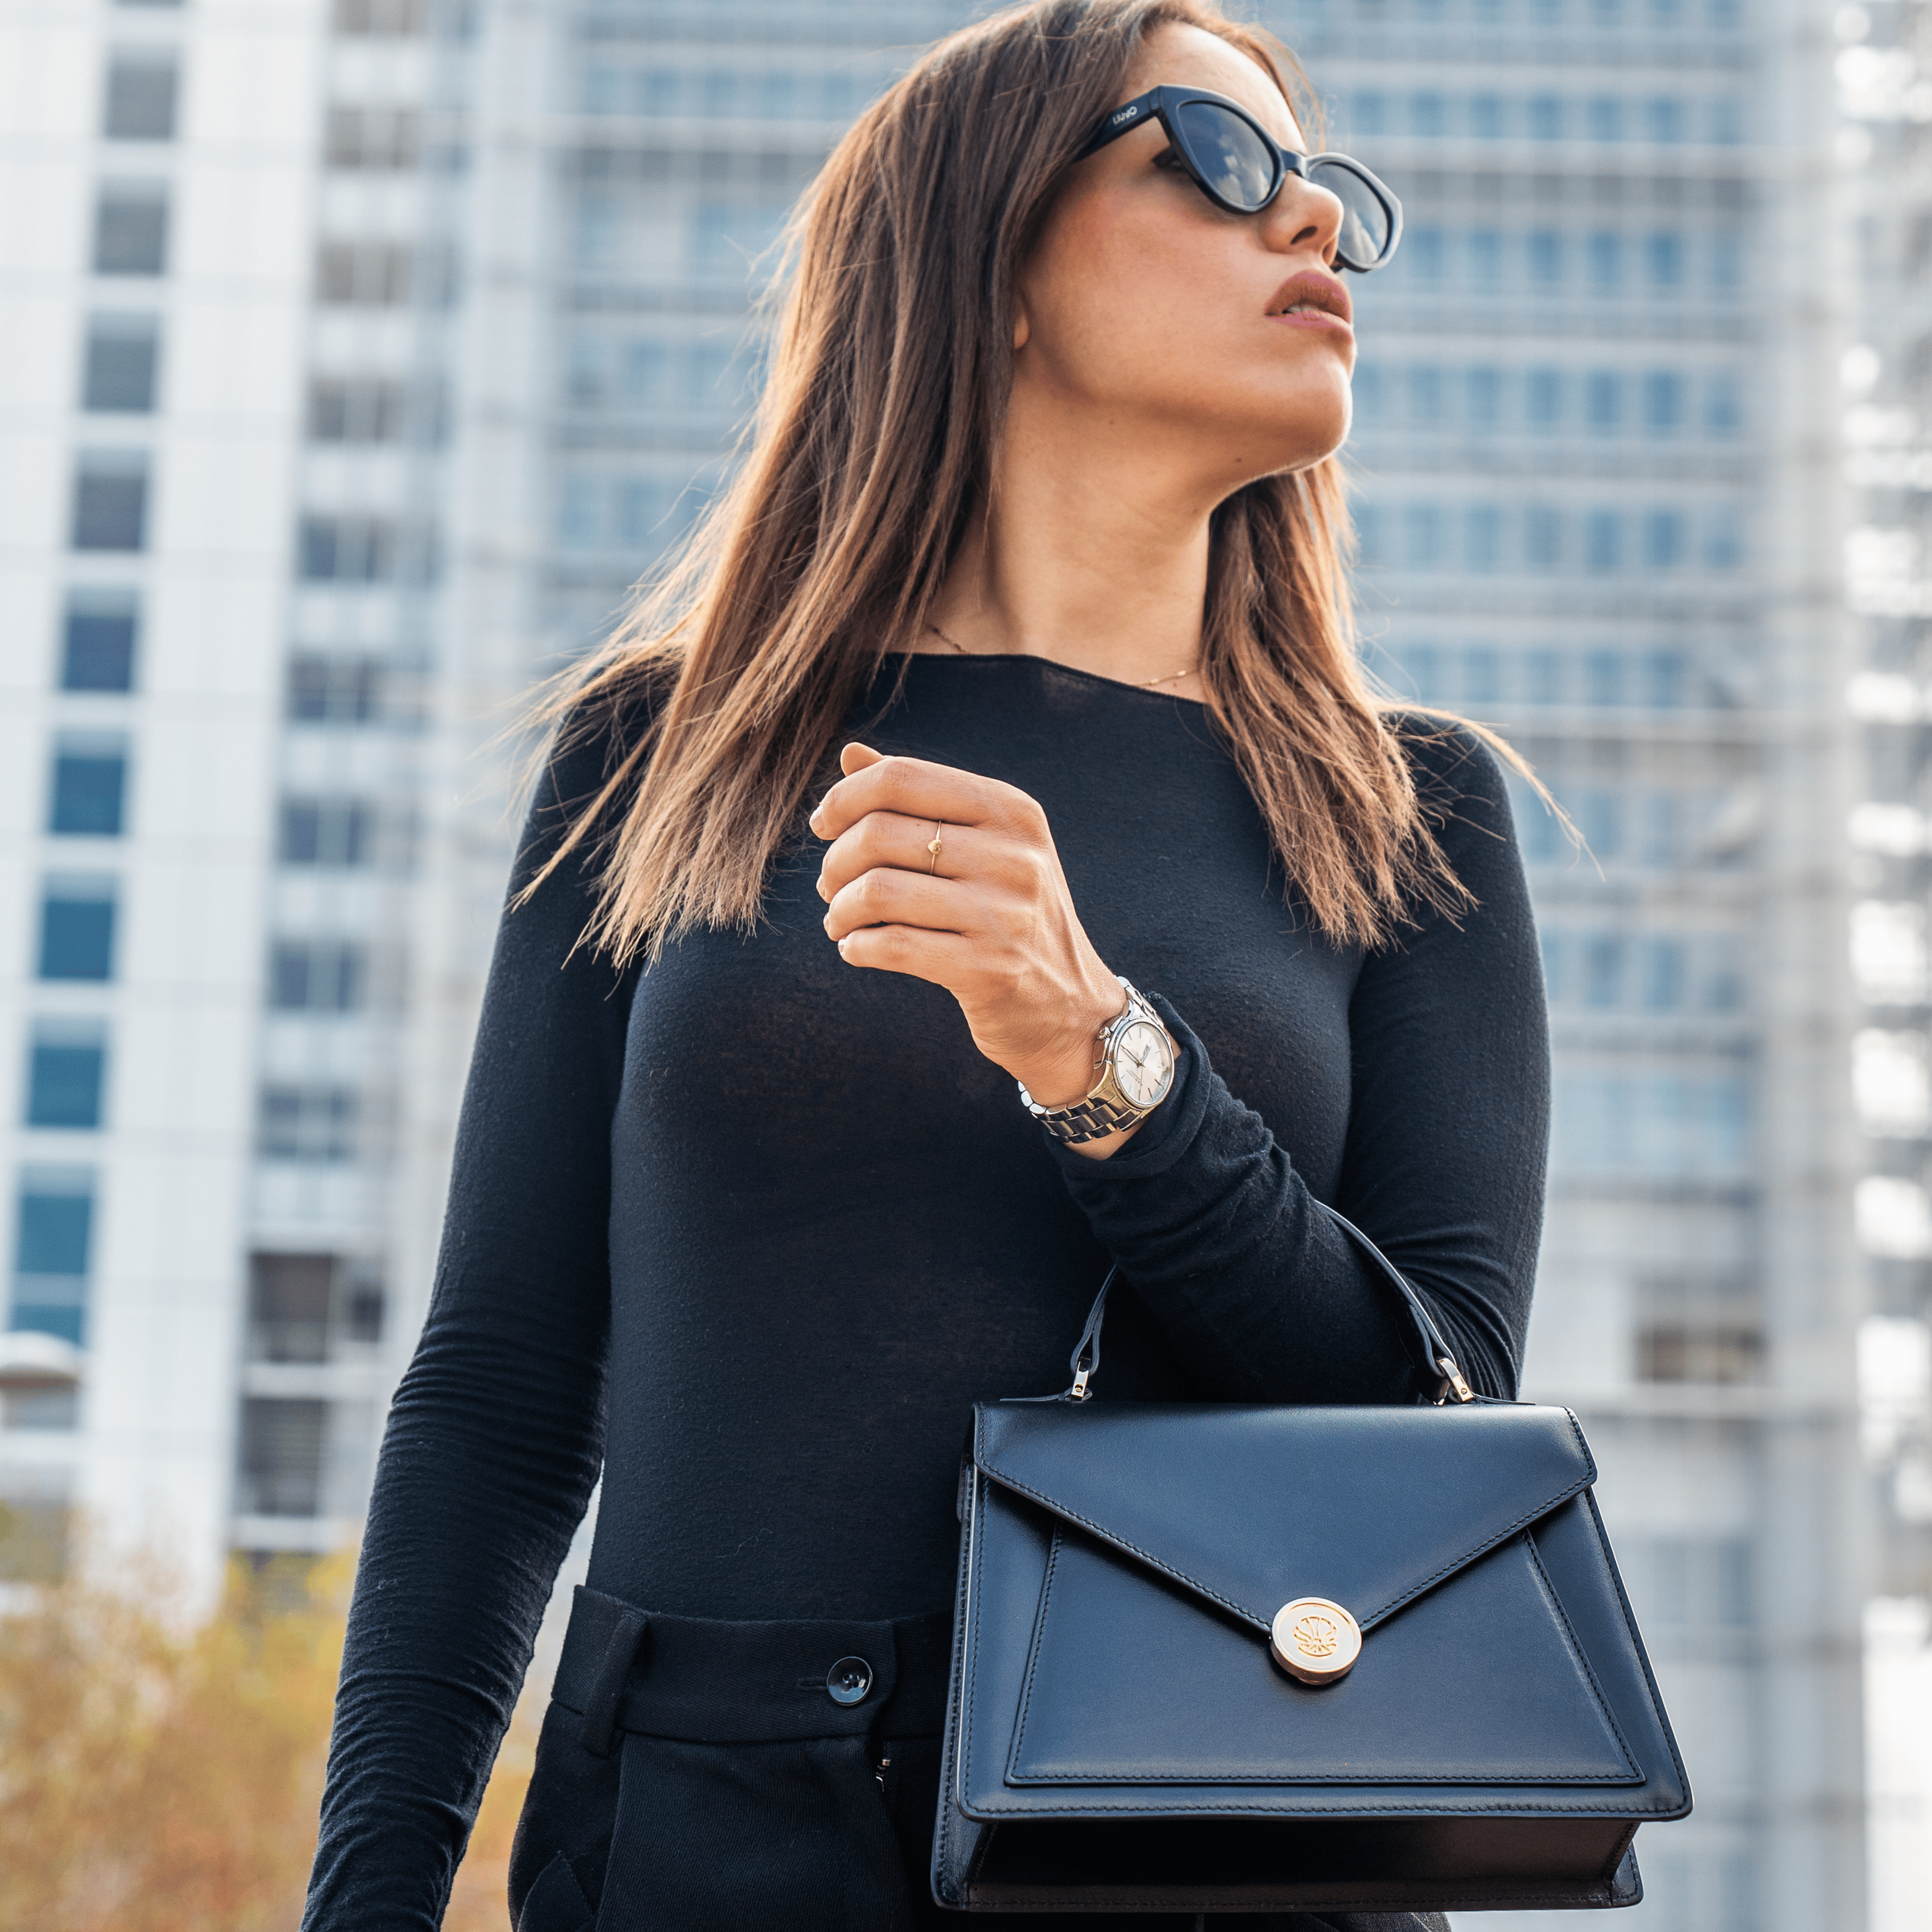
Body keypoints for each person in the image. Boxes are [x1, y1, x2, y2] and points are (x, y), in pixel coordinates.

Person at [299, 2, 1549, 1927]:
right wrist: (367, 1896)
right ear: (991, 256)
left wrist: (1103, 1058)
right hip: (697, 1848)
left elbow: (1434, 1420)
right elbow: (499, 1388)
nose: (1311, 221)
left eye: (1325, 188)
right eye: (1218, 162)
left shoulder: (1412, 810)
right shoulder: (666, 751)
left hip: (1221, 1844)